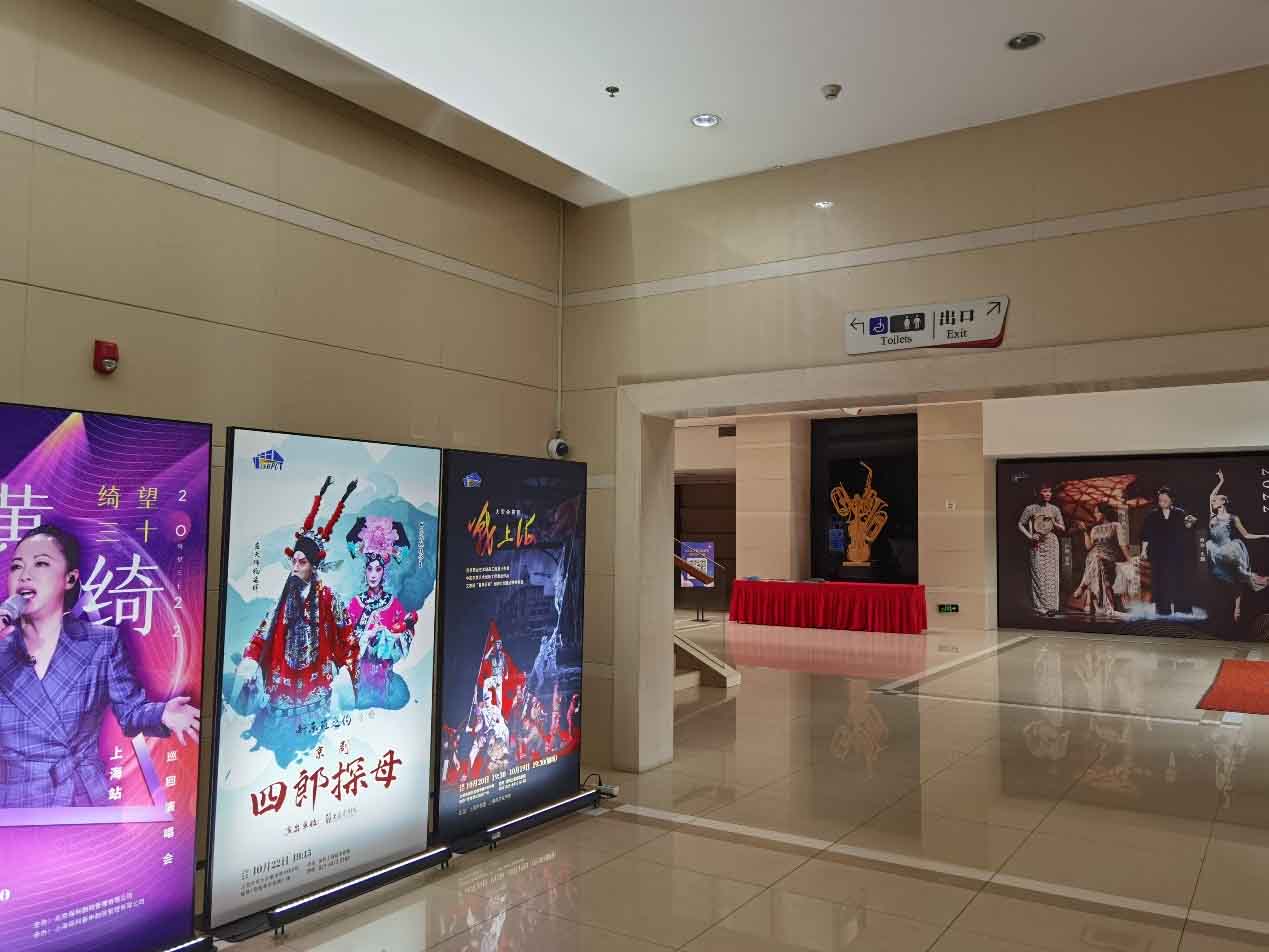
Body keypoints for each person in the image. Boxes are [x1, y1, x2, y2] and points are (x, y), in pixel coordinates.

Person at [0, 525, 199, 808]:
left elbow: (130, 712)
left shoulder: (101, 642)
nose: (24, 575)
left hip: (83, 797)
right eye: (16, 566)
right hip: (16, 804)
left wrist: (163, 714)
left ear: (70, 578)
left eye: (41, 563)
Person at [232, 478, 360, 766]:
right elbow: (262, 634)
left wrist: (345, 670)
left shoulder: (328, 598)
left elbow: (348, 637)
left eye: (302, 563)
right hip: (281, 695)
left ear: (314, 566)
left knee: (316, 754)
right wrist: (251, 660)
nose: (295, 567)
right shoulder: (283, 598)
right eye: (294, 561)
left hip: (317, 694)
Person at [345, 516, 416, 709]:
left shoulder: (393, 604)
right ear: (365, 571)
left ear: (384, 572)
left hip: (383, 673)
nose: (373, 574)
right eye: (369, 569)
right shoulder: (355, 603)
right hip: (358, 674)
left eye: (378, 569)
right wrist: (365, 638)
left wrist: (393, 635)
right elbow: (345, 637)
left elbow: (405, 633)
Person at [1206, 470, 1269, 622]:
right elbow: (1211, 495)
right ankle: (1233, 607)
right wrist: (1221, 481)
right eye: (1213, 500)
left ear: (1223, 501)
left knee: (1239, 578)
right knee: (1234, 580)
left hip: (1230, 550)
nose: (1213, 501)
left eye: (1216, 500)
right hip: (1215, 551)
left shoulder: (1232, 517)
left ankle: (1238, 608)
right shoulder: (1212, 515)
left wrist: (1264, 535)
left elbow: (1246, 535)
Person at [1140, 485, 1198, 616]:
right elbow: (1146, 534)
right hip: (1159, 553)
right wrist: (1143, 551)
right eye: (1160, 500)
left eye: (1165, 500)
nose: (1162, 502)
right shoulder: (1152, 515)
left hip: (1177, 553)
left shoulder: (1180, 513)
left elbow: (1188, 527)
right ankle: (1163, 610)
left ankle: (1182, 610)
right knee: (1161, 581)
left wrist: (1191, 523)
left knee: (1180, 579)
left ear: (1172, 500)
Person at [1072, 504, 1130, 617]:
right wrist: (1084, 531)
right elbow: (1088, 547)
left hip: (1109, 557)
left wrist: (1129, 559)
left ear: (1104, 513)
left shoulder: (1115, 525)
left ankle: (1082, 586)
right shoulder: (1095, 529)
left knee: (1097, 558)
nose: (1095, 514)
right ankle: (1084, 588)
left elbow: (1122, 545)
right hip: (1095, 557)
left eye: (1097, 512)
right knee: (1096, 558)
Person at [1017, 484, 1066, 615]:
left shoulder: (1055, 509)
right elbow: (1020, 524)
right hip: (1037, 543)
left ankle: (1051, 607)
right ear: (1037, 492)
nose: (1048, 494)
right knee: (1038, 575)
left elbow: (1063, 528)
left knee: (1051, 576)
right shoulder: (1030, 508)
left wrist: (1053, 522)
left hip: (1051, 543)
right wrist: (1030, 536)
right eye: (1044, 491)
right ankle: (1040, 606)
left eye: (1050, 491)